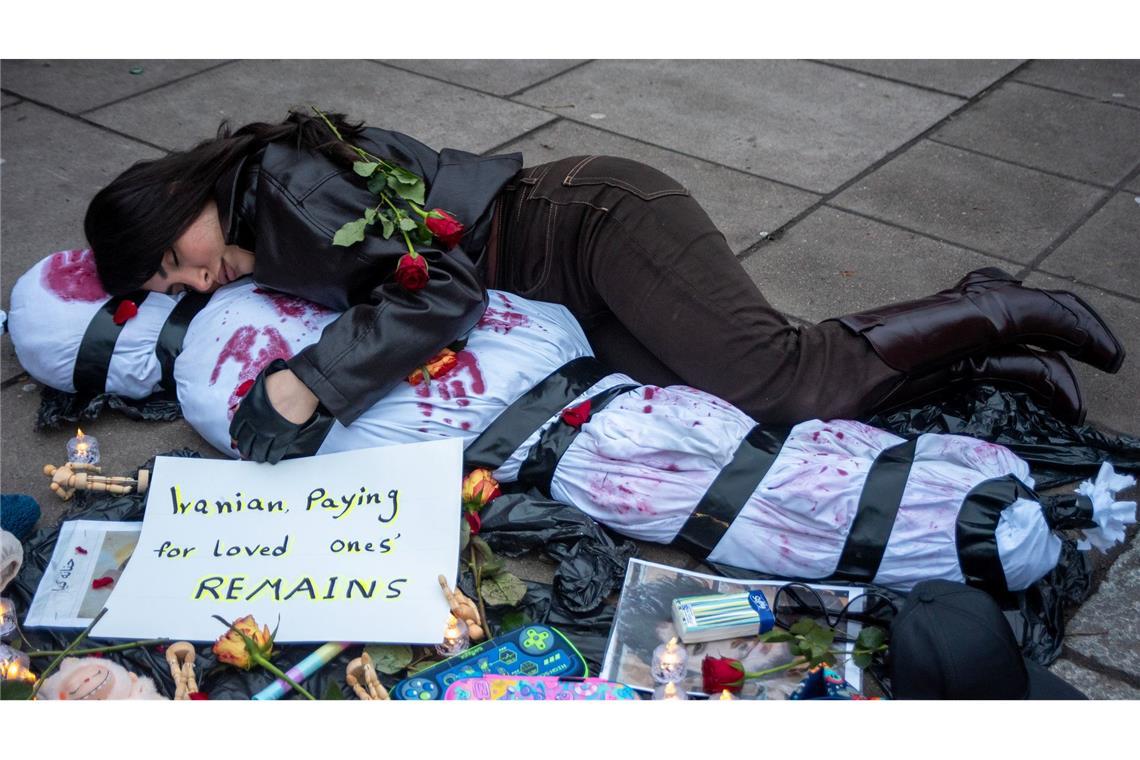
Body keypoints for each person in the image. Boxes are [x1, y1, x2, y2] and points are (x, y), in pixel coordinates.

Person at [84, 110, 1125, 463]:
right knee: (751, 407)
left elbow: (439, 288)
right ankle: (991, 363)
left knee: (783, 377)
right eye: (170, 282)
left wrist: (307, 380)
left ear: (178, 191)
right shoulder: (259, 213)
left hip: (591, 223)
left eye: (173, 255)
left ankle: (991, 299)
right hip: (561, 284)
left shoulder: (281, 188)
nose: (188, 279)